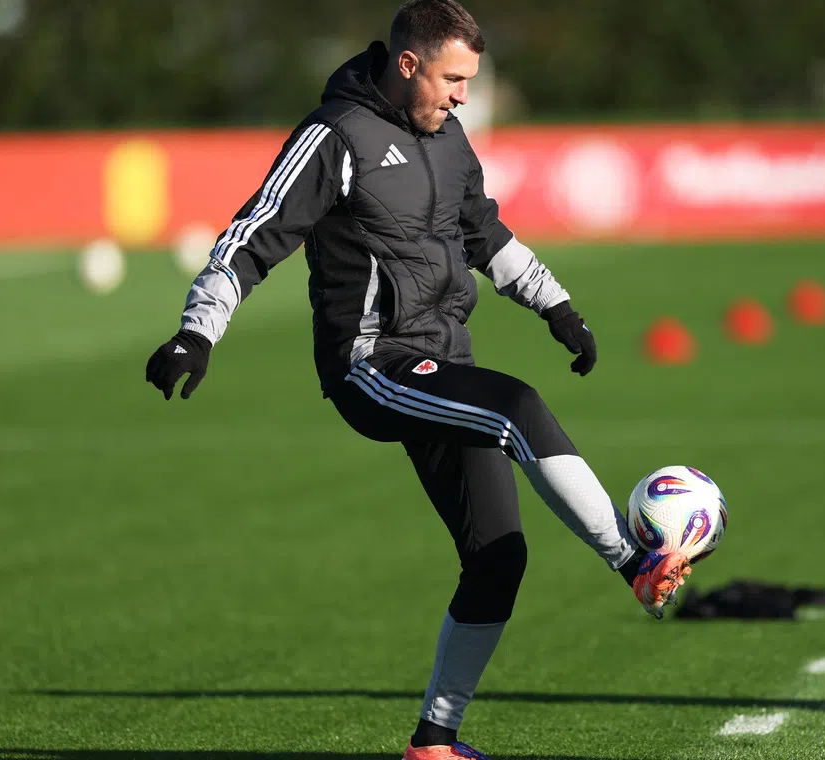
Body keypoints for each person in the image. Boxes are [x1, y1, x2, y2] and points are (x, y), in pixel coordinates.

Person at [145, 1, 692, 757]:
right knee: (518, 407)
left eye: (470, 79)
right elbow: (252, 237)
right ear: (409, 65)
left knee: (498, 559)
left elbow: (484, 234)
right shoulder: (333, 137)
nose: (464, 95)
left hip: (443, 361)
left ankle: (435, 740)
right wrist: (196, 332)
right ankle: (634, 563)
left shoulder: (450, 136)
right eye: (453, 79)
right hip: (371, 365)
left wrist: (557, 307)